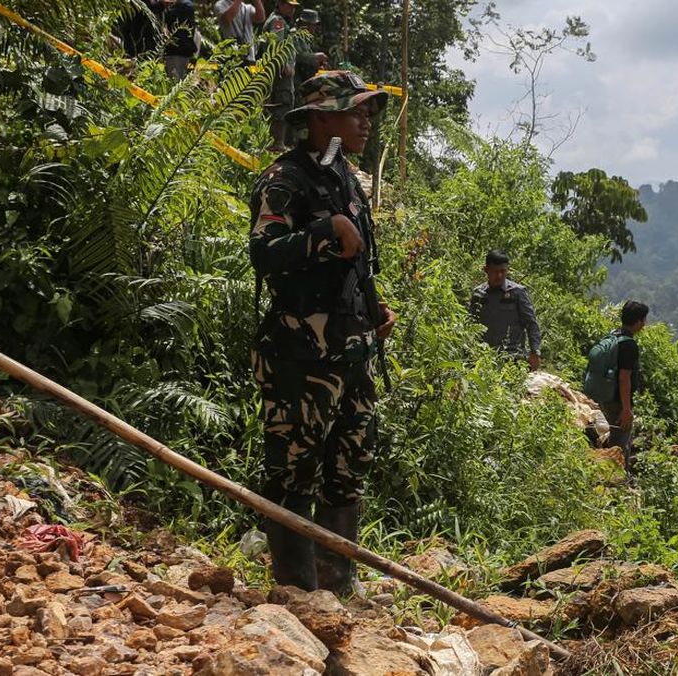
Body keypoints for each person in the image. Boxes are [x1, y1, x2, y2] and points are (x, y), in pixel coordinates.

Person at [248, 70, 396, 595]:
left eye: (368, 112)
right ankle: (297, 594)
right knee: (293, 471)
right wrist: (322, 232)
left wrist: (373, 308)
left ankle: (336, 591)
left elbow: (356, 262)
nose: (366, 121)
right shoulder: (285, 180)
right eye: (355, 111)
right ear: (321, 119)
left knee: (350, 465)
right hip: (300, 355)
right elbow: (264, 254)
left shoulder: (344, 177)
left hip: (351, 351)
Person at [467, 250, 542, 370]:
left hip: (512, 358)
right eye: (495, 272)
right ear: (486, 270)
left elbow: (531, 324)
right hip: (483, 357)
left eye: (503, 271)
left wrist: (535, 352)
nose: (499, 276)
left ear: (508, 270)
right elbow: (470, 324)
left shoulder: (517, 292)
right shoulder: (479, 294)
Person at [596, 301, 648, 471]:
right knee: (620, 444)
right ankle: (617, 478)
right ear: (639, 321)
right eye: (644, 320)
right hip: (618, 401)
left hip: (604, 394)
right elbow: (624, 378)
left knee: (616, 438)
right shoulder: (629, 345)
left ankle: (611, 474)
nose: (644, 324)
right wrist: (626, 409)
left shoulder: (612, 335)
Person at [261, 0, 301, 151]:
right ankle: (277, 143)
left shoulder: (280, 20)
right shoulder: (278, 21)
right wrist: (284, 64)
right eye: (289, 6)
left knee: (281, 104)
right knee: (283, 103)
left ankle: (277, 142)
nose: (292, 9)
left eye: (294, 7)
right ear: (280, 5)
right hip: (280, 72)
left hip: (278, 70)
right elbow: (276, 44)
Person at [161, 0, 198, 80]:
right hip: (181, 52)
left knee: (177, 82)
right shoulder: (182, 5)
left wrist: (163, 6)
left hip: (178, 52)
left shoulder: (185, 5)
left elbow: (169, 16)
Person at [293, 10, 329, 85]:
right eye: (313, 25)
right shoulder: (294, 35)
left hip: (303, 77)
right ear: (305, 24)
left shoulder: (305, 37)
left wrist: (318, 63)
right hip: (294, 78)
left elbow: (308, 55)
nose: (314, 27)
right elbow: (297, 55)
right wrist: (316, 56)